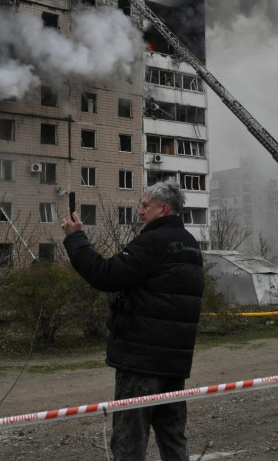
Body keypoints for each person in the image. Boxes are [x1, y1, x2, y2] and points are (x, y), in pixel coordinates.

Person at [62, 180, 204, 461]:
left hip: (141, 362)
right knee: (174, 439)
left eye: (145, 205)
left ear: (163, 209)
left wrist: (75, 238)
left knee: (129, 443)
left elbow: (106, 275)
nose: (140, 211)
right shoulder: (190, 244)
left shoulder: (152, 241)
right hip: (174, 363)